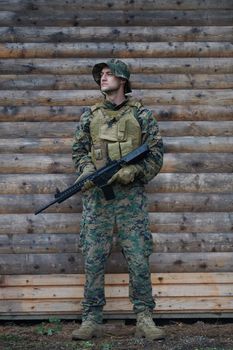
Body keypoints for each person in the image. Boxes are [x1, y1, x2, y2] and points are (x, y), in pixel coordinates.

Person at [71, 59, 164, 341]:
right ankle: (91, 319)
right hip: (97, 200)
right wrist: (88, 170)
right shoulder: (89, 116)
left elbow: (156, 155)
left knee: (138, 257)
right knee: (94, 258)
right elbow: (79, 152)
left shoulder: (142, 116)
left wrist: (131, 172)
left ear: (122, 79)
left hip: (130, 201)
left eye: (109, 74)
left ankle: (145, 318)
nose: (103, 78)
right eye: (101, 75)